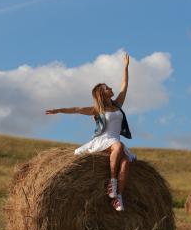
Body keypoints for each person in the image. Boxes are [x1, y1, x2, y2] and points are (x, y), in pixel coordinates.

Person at [45, 53, 135, 212]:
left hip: (115, 141)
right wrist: (58, 110)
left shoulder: (118, 104)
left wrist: (126, 67)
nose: (111, 89)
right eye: (108, 88)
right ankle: (112, 182)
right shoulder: (97, 110)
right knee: (118, 146)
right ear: (102, 93)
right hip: (104, 140)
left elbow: (124, 85)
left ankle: (117, 197)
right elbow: (76, 109)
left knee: (126, 162)